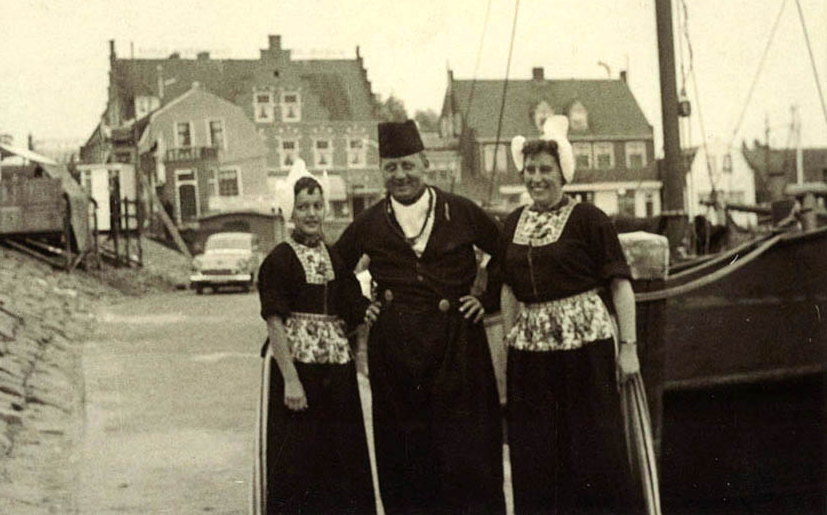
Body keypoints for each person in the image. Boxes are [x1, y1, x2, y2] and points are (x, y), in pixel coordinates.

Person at [334, 120, 506, 515]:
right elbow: (336, 267)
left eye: (408, 165)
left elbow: (505, 250)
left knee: (466, 455)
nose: (400, 175)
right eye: (391, 167)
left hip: (457, 347)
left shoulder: (459, 211)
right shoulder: (370, 222)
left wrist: (487, 297)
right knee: (405, 457)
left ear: (425, 164)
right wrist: (361, 308)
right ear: (382, 172)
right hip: (396, 350)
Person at [498, 115, 641, 515]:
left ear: (563, 173)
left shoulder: (589, 220)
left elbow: (620, 286)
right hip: (531, 352)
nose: (537, 178)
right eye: (530, 170)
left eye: (546, 169)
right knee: (537, 449)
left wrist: (628, 349)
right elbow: (507, 286)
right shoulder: (512, 223)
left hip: (585, 347)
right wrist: (512, 338)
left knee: (592, 446)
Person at [256, 170, 377, 515]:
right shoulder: (278, 260)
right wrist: (291, 380)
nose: (311, 213)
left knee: (340, 455)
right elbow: (274, 322)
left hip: (336, 373)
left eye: (317, 205)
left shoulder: (334, 257)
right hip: (299, 374)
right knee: (299, 461)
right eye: (303, 206)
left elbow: (354, 305)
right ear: (290, 212)